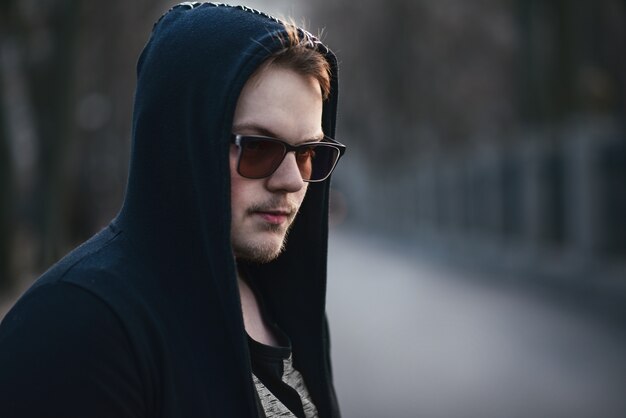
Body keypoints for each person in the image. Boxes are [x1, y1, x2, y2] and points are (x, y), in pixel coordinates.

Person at [0, 3, 345, 417]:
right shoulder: (77, 327)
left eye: (307, 152)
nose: (291, 180)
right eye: (258, 147)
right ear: (181, 144)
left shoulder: (278, 302)